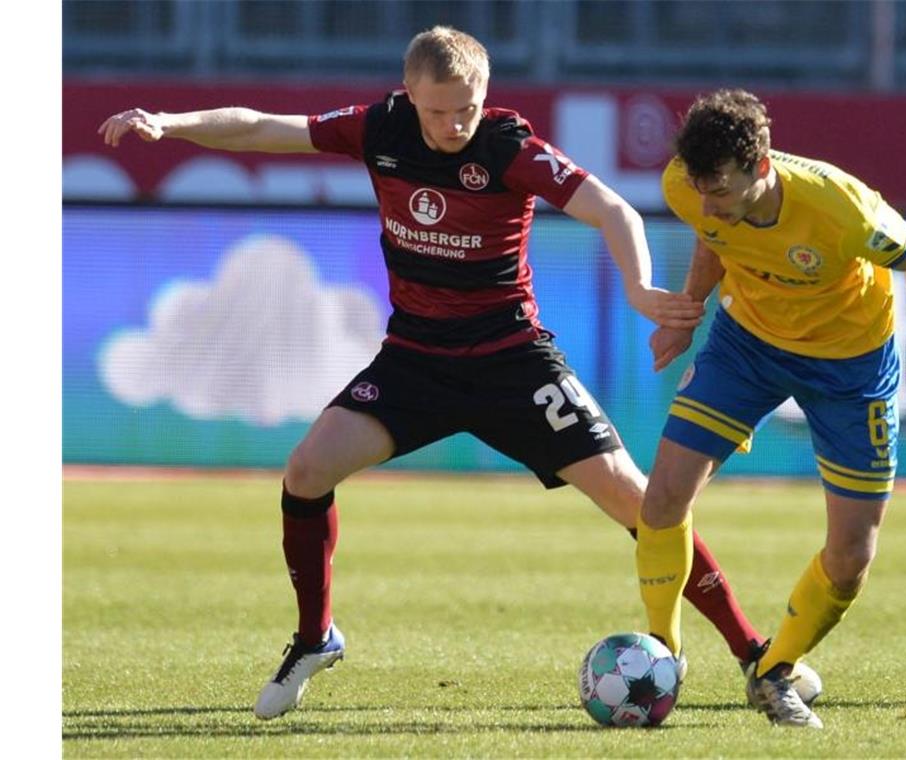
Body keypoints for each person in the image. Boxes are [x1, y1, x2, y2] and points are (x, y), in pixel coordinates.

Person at [98, 28, 817, 721]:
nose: (452, 124)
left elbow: (612, 208)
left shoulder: (510, 148)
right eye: (438, 110)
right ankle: (316, 639)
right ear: (408, 94)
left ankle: (754, 653)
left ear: (485, 94)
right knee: (306, 472)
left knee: (642, 505)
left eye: (466, 108)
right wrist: (170, 122)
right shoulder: (378, 128)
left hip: (512, 360)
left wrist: (637, 288)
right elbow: (260, 128)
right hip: (415, 361)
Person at [633, 89, 906, 729]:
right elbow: (713, 235)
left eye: (721, 189)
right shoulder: (688, 184)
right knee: (664, 495)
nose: (706, 202)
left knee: (851, 552)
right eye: (700, 188)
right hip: (747, 343)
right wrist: (690, 312)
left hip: (851, 364)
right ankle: (662, 658)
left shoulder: (839, 208)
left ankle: (774, 671)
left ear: (761, 169)